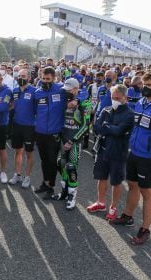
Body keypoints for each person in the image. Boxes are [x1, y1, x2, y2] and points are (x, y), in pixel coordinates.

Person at [111, 71, 151, 245]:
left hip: (150, 157)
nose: (145, 88)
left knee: (147, 192)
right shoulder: (140, 102)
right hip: (135, 152)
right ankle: (128, 216)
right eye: (144, 85)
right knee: (132, 185)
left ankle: (145, 229)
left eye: (149, 85)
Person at [87, 84, 134, 220]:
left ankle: (113, 207)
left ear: (125, 97)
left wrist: (107, 127)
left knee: (116, 181)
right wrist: (110, 128)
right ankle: (100, 203)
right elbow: (96, 127)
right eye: (113, 97)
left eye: (118, 98)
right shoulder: (107, 110)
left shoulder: (130, 114)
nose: (114, 100)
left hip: (118, 153)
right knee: (101, 177)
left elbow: (119, 131)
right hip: (102, 149)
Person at [52, 78, 90, 210]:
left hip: (74, 142)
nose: (66, 92)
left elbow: (86, 126)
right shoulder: (65, 99)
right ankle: (64, 192)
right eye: (65, 90)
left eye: (68, 90)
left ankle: (72, 197)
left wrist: (71, 141)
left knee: (71, 167)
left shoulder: (85, 102)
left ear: (75, 89)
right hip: (63, 140)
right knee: (60, 164)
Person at [33, 67, 68, 198]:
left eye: (48, 79)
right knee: (43, 160)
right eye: (43, 78)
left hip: (55, 132)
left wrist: (77, 100)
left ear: (54, 78)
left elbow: (80, 92)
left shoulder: (61, 90)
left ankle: (51, 187)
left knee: (52, 161)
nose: (45, 81)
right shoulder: (37, 92)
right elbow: (34, 110)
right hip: (40, 132)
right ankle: (45, 182)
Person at [8, 69, 36, 188]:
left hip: (30, 126)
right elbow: (11, 106)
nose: (21, 78)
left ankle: (27, 177)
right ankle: (18, 174)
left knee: (29, 153)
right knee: (18, 151)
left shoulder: (35, 91)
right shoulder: (14, 91)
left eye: (23, 76)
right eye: (19, 76)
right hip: (17, 125)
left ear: (29, 78)